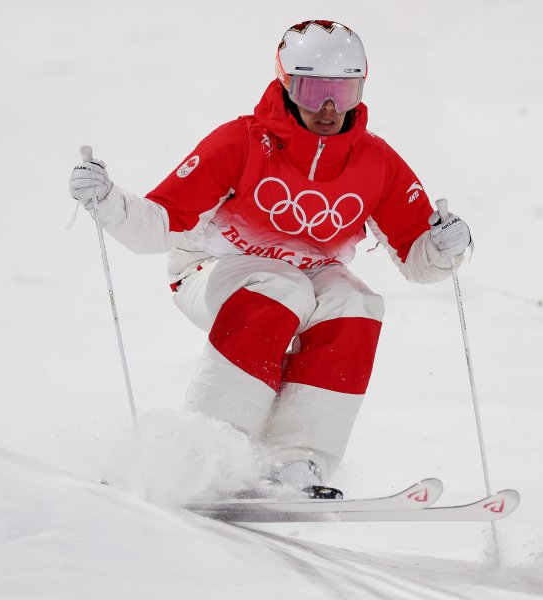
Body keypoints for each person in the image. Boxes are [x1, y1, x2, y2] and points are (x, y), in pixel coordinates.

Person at [69, 20, 471, 499]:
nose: (327, 107)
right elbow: (160, 222)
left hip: (313, 274)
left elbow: (417, 254)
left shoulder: (374, 161)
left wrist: (446, 248)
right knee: (282, 288)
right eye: (313, 88)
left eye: (343, 93)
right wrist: (109, 201)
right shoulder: (241, 142)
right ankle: (210, 453)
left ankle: (296, 464)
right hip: (213, 266)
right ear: (286, 84)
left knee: (356, 301)